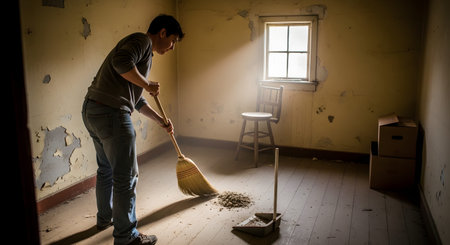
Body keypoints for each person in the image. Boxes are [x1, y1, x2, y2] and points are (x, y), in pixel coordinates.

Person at [81, 14, 184, 245]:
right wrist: (147, 84)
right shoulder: (142, 42)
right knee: (126, 176)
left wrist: (160, 120)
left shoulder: (142, 52)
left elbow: (134, 100)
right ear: (163, 33)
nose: (172, 47)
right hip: (111, 114)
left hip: (93, 110)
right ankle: (127, 237)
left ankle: (104, 218)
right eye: (173, 41)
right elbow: (121, 63)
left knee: (106, 169)